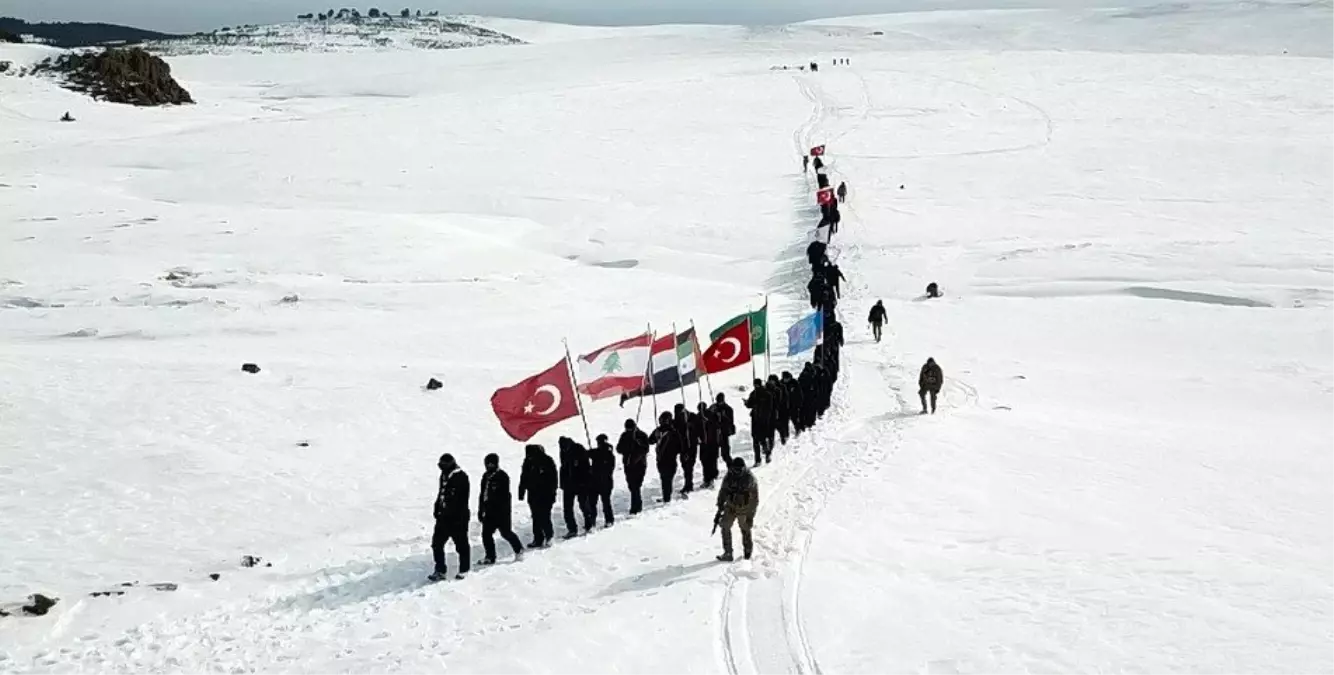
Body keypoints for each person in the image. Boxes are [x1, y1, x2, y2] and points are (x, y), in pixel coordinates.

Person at [429, 453, 470, 581]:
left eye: (443, 465)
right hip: (443, 518)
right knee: (437, 544)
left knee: (461, 545)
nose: (441, 468)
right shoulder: (444, 475)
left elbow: (461, 500)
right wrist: (437, 508)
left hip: (458, 518)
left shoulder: (461, 477)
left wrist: (455, 516)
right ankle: (440, 570)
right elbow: (441, 492)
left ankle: (464, 569)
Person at [477, 453, 523, 565]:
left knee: (506, 533)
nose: (489, 466)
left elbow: (504, 496)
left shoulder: (502, 476)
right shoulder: (485, 476)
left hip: (501, 512)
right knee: (486, 534)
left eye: (491, 464)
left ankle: (519, 550)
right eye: (487, 464)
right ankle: (490, 556)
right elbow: (482, 494)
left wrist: (501, 510)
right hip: (488, 511)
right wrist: (481, 509)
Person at [714, 458, 759, 561]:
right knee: (725, 526)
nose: (737, 471)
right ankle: (728, 552)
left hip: (744, 508)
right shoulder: (729, 476)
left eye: (739, 469)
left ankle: (747, 552)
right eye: (735, 469)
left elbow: (754, 500)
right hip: (730, 506)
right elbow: (723, 490)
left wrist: (750, 516)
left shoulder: (750, 479)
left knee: (745, 528)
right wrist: (720, 505)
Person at [517, 444, 558, 548]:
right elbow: (524, 477)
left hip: (546, 494)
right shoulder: (528, 462)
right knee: (535, 517)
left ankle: (549, 536)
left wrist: (553, 492)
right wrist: (521, 491)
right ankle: (538, 539)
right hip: (533, 494)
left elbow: (553, 478)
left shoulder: (547, 460)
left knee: (545, 516)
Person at [558, 437, 593, 538]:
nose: (563, 449)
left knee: (583, 504)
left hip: (580, 484)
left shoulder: (579, 449)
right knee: (567, 508)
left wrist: (585, 482)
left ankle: (589, 524)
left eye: (564, 447)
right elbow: (563, 468)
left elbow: (586, 467)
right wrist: (563, 483)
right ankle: (572, 529)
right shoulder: (563, 451)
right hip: (568, 485)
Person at [616, 419, 650, 514]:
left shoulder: (641, 435)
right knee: (632, 486)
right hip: (628, 464)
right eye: (627, 428)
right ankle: (636, 504)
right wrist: (627, 447)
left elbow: (646, 449)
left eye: (630, 428)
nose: (629, 430)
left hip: (640, 464)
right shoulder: (624, 436)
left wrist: (637, 443)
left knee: (636, 485)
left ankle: (636, 506)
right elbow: (618, 449)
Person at [649, 412, 682, 503]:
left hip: (661, 459)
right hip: (669, 459)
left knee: (665, 479)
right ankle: (667, 496)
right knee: (667, 479)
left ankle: (666, 496)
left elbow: (650, 440)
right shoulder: (673, 432)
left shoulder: (659, 431)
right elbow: (680, 447)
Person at [744, 379, 774, 466]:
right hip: (756, 419)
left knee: (761, 439)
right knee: (756, 440)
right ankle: (758, 459)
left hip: (762, 420)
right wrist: (747, 403)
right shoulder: (754, 393)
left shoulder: (766, 394)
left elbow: (770, 408)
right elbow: (750, 404)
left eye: (756, 385)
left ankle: (765, 455)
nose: (756, 386)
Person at [589, 434, 616, 527]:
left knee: (599, 502)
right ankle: (606, 520)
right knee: (601, 502)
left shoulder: (604, 453)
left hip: (603, 481)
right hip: (599, 481)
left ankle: (597, 521)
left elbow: (590, 453)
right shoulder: (606, 452)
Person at [697, 401, 722, 488]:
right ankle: (706, 479)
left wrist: (707, 421)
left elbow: (717, 425)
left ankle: (711, 479)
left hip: (712, 442)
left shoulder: (712, 415)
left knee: (711, 461)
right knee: (705, 461)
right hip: (704, 443)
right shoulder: (698, 417)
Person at [711, 393, 736, 466]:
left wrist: (722, 417)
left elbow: (730, 422)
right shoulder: (714, 407)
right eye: (718, 401)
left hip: (723, 433)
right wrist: (713, 413)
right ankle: (713, 472)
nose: (719, 403)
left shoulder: (728, 409)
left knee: (725, 454)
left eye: (720, 401)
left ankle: (731, 467)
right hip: (714, 434)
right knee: (713, 455)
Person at [768, 374, 790, 446]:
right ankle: (771, 443)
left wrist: (785, 408)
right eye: (770, 380)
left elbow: (784, 398)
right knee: (771, 429)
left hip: (781, 410)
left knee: (781, 426)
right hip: (770, 412)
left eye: (772, 381)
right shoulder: (767, 388)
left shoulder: (781, 387)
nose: (771, 382)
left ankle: (783, 437)